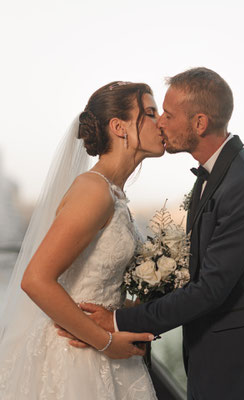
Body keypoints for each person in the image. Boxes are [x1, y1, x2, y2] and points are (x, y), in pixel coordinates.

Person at [60, 68, 244, 400]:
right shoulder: (215, 177)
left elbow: (210, 288)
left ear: (199, 123)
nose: (161, 123)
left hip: (240, 365)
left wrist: (119, 321)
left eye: (167, 114)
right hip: (211, 361)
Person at [0, 81, 164, 399]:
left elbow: (95, 282)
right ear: (119, 127)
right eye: (150, 113)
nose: (161, 122)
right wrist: (105, 343)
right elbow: (35, 279)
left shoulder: (115, 194)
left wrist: (134, 310)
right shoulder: (94, 191)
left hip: (105, 347)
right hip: (77, 357)